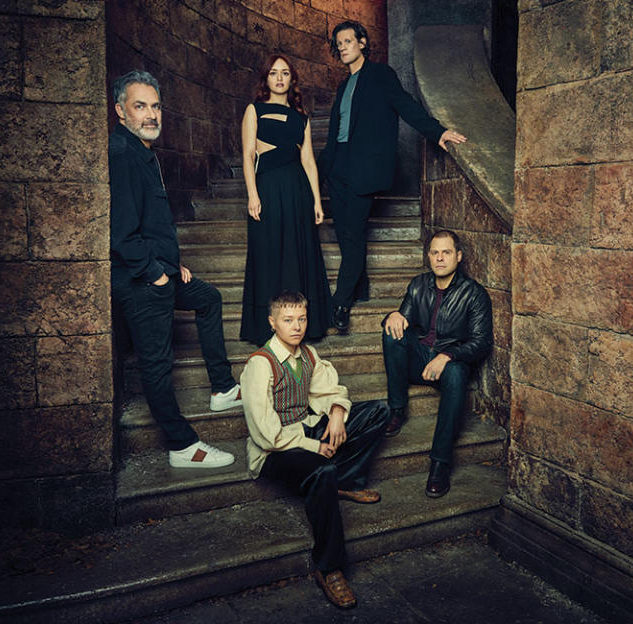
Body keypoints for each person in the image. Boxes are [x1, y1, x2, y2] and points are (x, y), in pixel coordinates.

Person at [109, 70, 242, 468]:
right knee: (156, 364)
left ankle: (221, 387)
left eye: (155, 106)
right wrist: (155, 271)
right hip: (142, 282)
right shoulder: (121, 154)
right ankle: (183, 446)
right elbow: (121, 232)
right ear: (120, 111)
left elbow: (150, 222)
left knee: (208, 298)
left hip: (160, 272)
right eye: (140, 106)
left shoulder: (142, 152)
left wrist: (173, 264)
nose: (151, 115)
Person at [241, 290, 389, 609]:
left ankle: (344, 481)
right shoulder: (260, 365)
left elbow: (332, 390)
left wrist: (336, 412)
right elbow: (265, 435)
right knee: (322, 470)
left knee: (379, 410)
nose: (297, 326)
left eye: (302, 319)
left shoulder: (307, 354)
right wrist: (314, 445)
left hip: (306, 428)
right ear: (273, 323)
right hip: (274, 452)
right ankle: (329, 567)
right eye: (288, 320)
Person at [318, 20, 468, 332]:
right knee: (346, 233)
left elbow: (405, 104)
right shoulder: (343, 85)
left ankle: (341, 302)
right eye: (339, 43)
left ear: (362, 42)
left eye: (348, 41)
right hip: (339, 168)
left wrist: (436, 130)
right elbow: (337, 131)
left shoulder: (380, 75)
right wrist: (324, 167)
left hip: (363, 169)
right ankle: (360, 287)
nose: (343, 47)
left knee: (355, 234)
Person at [382, 230, 492, 497]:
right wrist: (393, 315)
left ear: (458, 256)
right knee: (391, 333)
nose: (439, 258)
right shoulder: (419, 285)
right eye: (434, 252)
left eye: (446, 252)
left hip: (449, 363)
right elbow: (404, 318)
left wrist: (447, 355)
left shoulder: (474, 294)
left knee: (456, 373)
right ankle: (397, 409)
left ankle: (440, 464)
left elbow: (481, 343)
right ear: (429, 256)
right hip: (421, 358)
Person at [239, 55, 332, 346]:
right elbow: (248, 155)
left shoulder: (301, 116)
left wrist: (317, 201)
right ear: (266, 78)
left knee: (298, 252)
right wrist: (252, 194)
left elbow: (308, 161)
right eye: (274, 73)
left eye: (285, 73)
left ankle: (302, 324)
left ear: (292, 79)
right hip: (267, 188)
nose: (280, 78)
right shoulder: (254, 110)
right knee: (268, 253)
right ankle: (267, 328)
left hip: (297, 191)